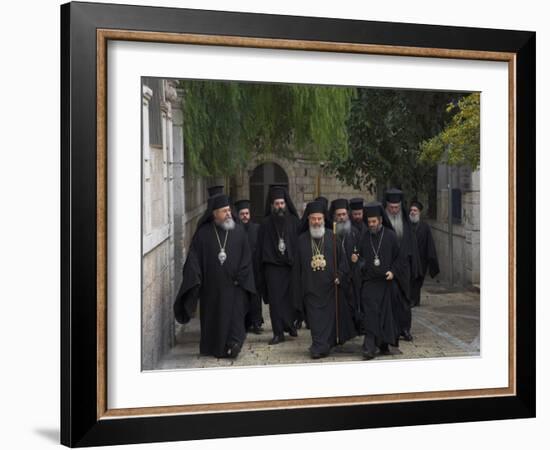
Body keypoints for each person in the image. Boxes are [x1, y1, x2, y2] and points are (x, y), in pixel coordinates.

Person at [173, 194, 256, 359]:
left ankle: (234, 344)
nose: (228, 214)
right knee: (214, 320)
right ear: (214, 213)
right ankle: (214, 347)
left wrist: (241, 276)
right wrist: (195, 278)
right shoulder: (203, 234)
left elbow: (246, 258)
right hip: (212, 289)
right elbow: (193, 260)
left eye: (229, 210)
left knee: (235, 319)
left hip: (235, 287)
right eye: (224, 211)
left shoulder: (238, 231)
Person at [293, 201, 356, 359]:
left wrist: (340, 276)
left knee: (328, 320)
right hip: (311, 289)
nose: (316, 222)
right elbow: (296, 268)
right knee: (315, 321)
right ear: (308, 220)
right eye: (313, 219)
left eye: (319, 218)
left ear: (323, 219)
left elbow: (343, 262)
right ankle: (319, 345)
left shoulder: (333, 237)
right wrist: (298, 289)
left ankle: (323, 346)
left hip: (329, 288)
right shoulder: (301, 240)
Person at [256, 185, 300, 344]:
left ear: (286, 203)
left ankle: (290, 325)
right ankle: (278, 333)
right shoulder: (265, 224)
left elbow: (299, 244)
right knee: (275, 302)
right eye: (277, 204)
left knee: (291, 300)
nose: (280, 206)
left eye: (282, 203)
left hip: (290, 267)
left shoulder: (294, 222)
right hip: (273, 268)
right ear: (272, 205)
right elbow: (260, 248)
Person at [359, 202, 401, 360]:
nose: (371, 225)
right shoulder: (364, 237)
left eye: (374, 222)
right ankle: (369, 347)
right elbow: (360, 257)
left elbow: (399, 258)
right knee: (370, 315)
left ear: (381, 221)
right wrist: (358, 260)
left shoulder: (390, 235)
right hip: (370, 283)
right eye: (369, 222)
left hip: (386, 282)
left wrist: (393, 271)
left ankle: (383, 344)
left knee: (384, 315)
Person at [384, 188, 421, 341]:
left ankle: (405, 329)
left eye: (396, 207)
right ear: (386, 207)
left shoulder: (406, 223)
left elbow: (411, 246)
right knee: (389, 299)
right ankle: (390, 329)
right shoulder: (382, 222)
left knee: (405, 300)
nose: (394, 210)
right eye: (391, 208)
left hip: (404, 268)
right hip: (387, 266)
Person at [329, 198, 364, 333]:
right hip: (337, 276)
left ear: (347, 215)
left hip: (353, 276)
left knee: (354, 303)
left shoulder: (355, 233)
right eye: (339, 215)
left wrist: (358, 259)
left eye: (344, 214)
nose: (342, 217)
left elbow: (364, 254)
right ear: (335, 217)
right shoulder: (330, 234)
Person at [234, 199, 264, 333]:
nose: (245, 216)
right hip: (241, 270)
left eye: (247, 213)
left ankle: (257, 323)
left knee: (256, 298)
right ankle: (244, 324)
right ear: (238, 215)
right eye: (242, 214)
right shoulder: (234, 230)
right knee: (242, 298)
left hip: (255, 268)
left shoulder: (256, 229)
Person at [409, 200, 440, 306]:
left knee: (418, 282)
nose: (413, 212)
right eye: (411, 210)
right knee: (410, 280)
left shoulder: (425, 227)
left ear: (419, 212)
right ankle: (412, 300)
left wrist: (431, 259)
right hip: (408, 259)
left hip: (421, 260)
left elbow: (429, 244)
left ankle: (415, 300)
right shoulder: (406, 225)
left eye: (415, 210)